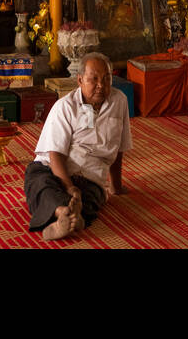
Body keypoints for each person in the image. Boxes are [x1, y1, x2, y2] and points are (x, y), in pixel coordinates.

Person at [23, 53, 131, 241]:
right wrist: (69, 187)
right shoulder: (64, 107)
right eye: (94, 79)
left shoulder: (119, 101)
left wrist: (116, 186)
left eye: (107, 79)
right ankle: (63, 212)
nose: (101, 85)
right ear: (79, 80)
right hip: (54, 170)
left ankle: (69, 214)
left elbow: (119, 146)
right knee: (40, 185)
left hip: (90, 176)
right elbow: (55, 154)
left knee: (92, 197)